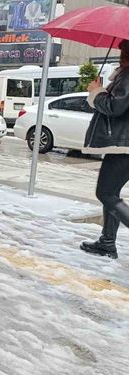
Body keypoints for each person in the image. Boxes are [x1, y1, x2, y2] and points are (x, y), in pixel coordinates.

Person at [80, 39, 129, 259]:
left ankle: (107, 242)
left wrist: (96, 91)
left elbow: (114, 107)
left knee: (106, 193)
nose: (119, 53)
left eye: (123, 50)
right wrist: (100, 90)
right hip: (122, 145)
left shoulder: (128, 76)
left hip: (124, 146)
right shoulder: (123, 75)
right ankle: (107, 242)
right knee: (112, 194)